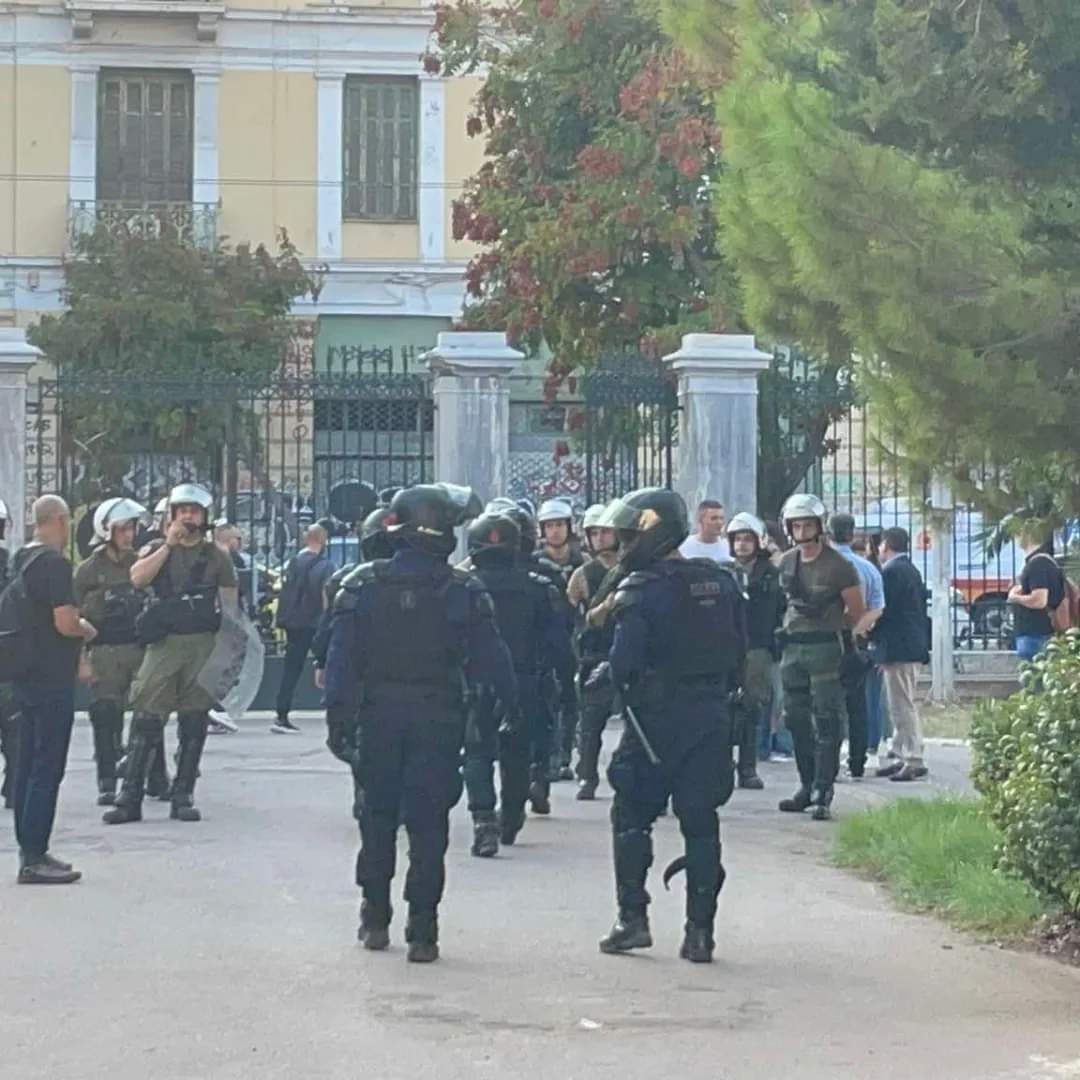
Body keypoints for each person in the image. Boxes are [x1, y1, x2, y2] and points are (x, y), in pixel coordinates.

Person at [324, 484, 517, 963]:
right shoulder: (463, 589)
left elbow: (340, 662)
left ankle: (375, 915)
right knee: (429, 825)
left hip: (378, 717)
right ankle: (423, 929)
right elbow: (494, 663)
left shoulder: (362, 586)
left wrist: (338, 721)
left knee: (377, 818)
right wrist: (504, 711)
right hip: (439, 717)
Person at [594, 488, 745, 964]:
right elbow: (740, 653)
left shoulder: (639, 591)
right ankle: (700, 934)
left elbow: (624, 663)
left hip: (654, 724)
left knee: (631, 817)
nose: (622, 547)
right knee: (701, 824)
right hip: (709, 718)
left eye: (627, 537)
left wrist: (605, 677)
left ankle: (632, 919)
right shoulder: (721, 584)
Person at [104, 483, 238, 825]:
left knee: (194, 721)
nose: (188, 517)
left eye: (194, 511)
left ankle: (183, 794)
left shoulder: (216, 556)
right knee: (147, 716)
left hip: (202, 644)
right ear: (172, 514)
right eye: (182, 511)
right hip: (165, 645)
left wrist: (227, 655)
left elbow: (231, 607)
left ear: (205, 516)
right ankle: (130, 796)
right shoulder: (156, 548)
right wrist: (168, 545)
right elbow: (138, 578)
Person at [463, 511, 575, 855]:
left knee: (477, 752)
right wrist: (565, 684)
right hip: (525, 680)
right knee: (517, 752)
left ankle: (484, 819)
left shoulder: (463, 587)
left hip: (476, 682)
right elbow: (559, 644)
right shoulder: (538, 588)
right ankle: (511, 817)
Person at [8, 495, 97, 883]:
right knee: (47, 766)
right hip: (51, 677)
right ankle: (34, 856)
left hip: (25, 674)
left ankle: (30, 849)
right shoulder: (55, 564)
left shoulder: (21, 560)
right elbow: (64, 622)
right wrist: (85, 629)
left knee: (27, 764)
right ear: (60, 520)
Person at [776, 494, 867, 821]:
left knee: (828, 719)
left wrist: (838, 632)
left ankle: (822, 790)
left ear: (819, 526)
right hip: (793, 649)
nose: (801, 532)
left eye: (807, 525)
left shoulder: (839, 566)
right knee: (795, 719)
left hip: (825, 648)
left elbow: (856, 610)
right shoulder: (787, 562)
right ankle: (806, 784)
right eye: (796, 526)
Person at [73, 498, 149, 806]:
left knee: (148, 715)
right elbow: (74, 615)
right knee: (105, 716)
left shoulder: (140, 564)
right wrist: (82, 659)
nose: (129, 535)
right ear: (106, 530)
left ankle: (151, 776)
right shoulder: (88, 570)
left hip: (138, 648)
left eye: (132, 528)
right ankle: (106, 780)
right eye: (122, 529)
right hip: (104, 651)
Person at [726, 512, 785, 790]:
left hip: (757, 647)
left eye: (747, 539)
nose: (742, 544)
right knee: (723, 707)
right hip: (726, 646)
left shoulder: (771, 574)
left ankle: (747, 767)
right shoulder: (724, 571)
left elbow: (778, 610)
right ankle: (722, 764)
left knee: (752, 707)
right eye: (737, 539)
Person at [567, 503, 620, 800]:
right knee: (591, 721)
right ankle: (587, 775)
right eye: (595, 532)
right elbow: (572, 615)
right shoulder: (583, 575)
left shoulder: (633, 568)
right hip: (596, 653)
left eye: (606, 532)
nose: (600, 538)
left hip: (630, 650)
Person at [828, 513, 885, 780]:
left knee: (827, 704)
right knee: (857, 705)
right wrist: (857, 629)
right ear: (852, 536)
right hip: (856, 642)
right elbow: (878, 607)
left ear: (828, 534)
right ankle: (857, 762)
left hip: (826, 641)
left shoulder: (822, 566)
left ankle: (828, 761)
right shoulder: (868, 568)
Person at [873, 528, 930, 782]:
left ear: (886, 545)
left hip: (899, 648)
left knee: (902, 704)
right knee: (898, 702)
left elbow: (884, 610)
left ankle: (914, 757)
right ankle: (898, 752)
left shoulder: (892, 572)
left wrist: (871, 635)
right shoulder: (909, 569)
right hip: (909, 646)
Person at [534, 498, 584, 782]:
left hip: (574, 637)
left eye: (559, 525)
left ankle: (566, 754)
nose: (555, 531)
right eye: (549, 525)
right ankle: (550, 756)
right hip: (543, 640)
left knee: (570, 697)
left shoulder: (582, 563)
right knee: (547, 698)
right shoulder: (534, 563)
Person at [272, 523, 333, 734]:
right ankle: (334, 708)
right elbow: (326, 596)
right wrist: (328, 619)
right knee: (330, 664)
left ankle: (281, 713)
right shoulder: (325, 566)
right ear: (323, 540)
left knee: (291, 669)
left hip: (294, 622)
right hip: (315, 622)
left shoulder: (294, 562)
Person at [1008, 526, 1067, 662]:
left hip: (1036, 634)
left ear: (1028, 536)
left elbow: (1039, 600)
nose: (1016, 538)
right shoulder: (1042, 562)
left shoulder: (1038, 564)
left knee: (1034, 671)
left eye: (1018, 533)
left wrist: (1015, 597)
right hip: (1039, 633)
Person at [678, 499, 733, 565]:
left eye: (721, 518)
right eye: (714, 518)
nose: (719, 522)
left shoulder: (729, 547)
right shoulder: (683, 546)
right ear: (700, 521)